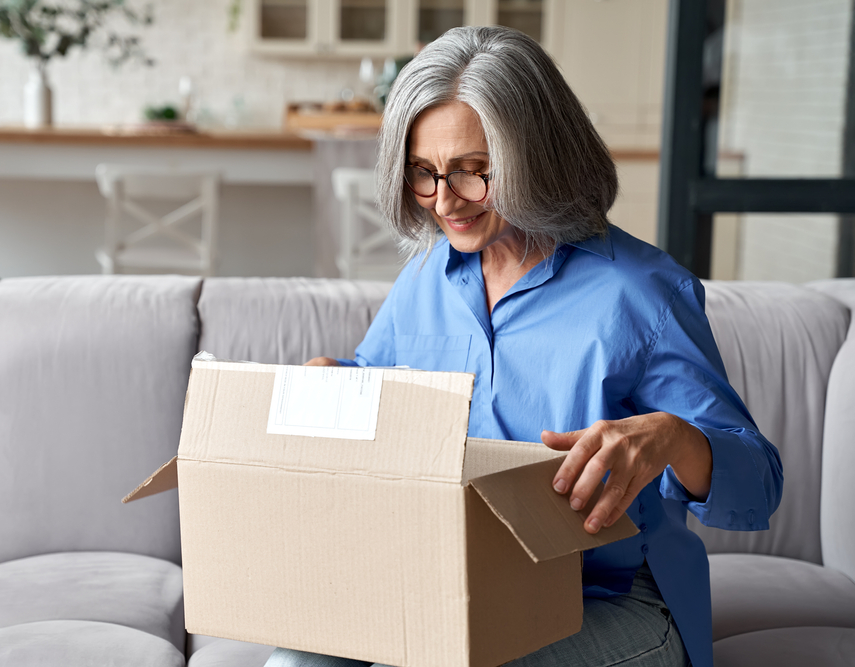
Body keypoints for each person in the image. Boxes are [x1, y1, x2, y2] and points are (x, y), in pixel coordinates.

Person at [269, 26, 782, 667]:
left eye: (473, 173)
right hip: (457, 582)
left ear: (537, 158)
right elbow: (382, 387)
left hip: (613, 599)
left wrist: (674, 438)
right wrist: (336, 381)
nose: (445, 202)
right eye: (424, 174)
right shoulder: (428, 276)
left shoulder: (643, 293)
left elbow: (759, 485)